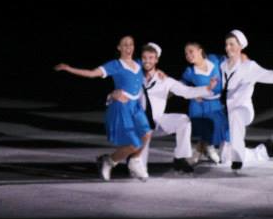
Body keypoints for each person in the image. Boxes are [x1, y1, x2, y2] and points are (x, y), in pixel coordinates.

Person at [54, 35, 152, 181]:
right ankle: (108, 161)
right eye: (125, 45)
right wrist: (69, 69)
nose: (128, 47)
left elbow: (153, 60)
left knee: (146, 134)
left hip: (135, 107)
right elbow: (92, 73)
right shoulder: (115, 65)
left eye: (131, 44)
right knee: (134, 143)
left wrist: (160, 72)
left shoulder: (138, 63)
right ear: (119, 48)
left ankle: (134, 160)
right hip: (122, 107)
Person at [109, 42, 217, 174]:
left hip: (159, 122)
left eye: (151, 58)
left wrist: (207, 88)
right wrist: (112, 97)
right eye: (144, 58)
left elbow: (186, 91)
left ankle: (180, 158)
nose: (147, 61)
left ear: (156, 60)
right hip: (139, 127)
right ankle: (130, 157)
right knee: (136, 172)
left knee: (183, 120)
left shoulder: (165, 80)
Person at [217, 29, 273, 171]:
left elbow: (271, 76)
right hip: (228, 115)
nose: (228, 48)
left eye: (232, 44)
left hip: (244, 110)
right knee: (223, 154)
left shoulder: (249, 67)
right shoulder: (222, 66)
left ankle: (238, 159)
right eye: (226, 44)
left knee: (236, 115)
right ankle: (268, 148)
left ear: (240, 46)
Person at [181, 41, 228, 164]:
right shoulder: (189, 71)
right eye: (186, 54)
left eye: (191, 51)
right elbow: (181, 85)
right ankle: (205, 150)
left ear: (200, 50)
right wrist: (193, 94)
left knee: (219, 126)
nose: (188, 55)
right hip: (199, 105)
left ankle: (204, 148)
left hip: (216, 103)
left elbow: (231, 60)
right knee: (204, 127)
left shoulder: (215, 59)